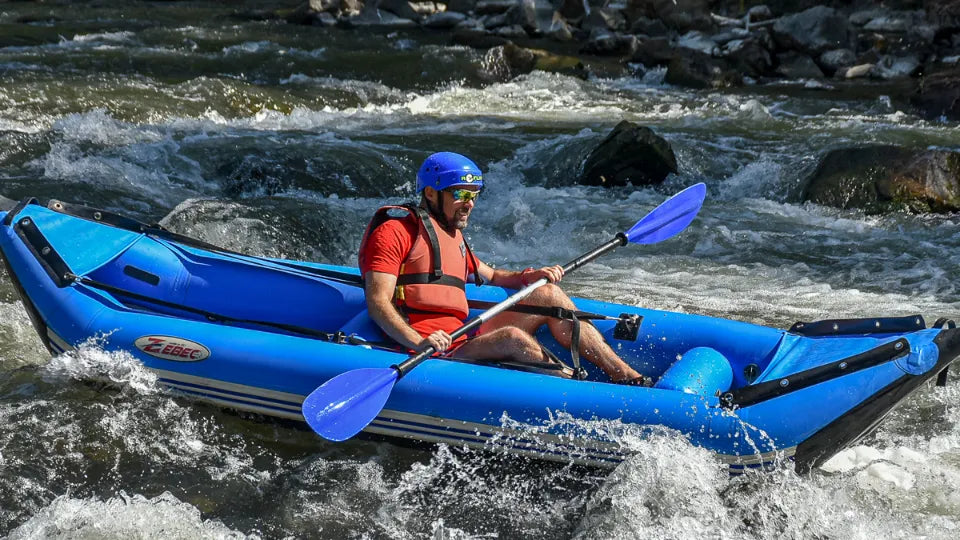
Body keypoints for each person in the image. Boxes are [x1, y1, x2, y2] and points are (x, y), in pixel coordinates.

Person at [357, 152, 649, 385]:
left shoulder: (450, 232)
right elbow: (378, 303)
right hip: (431, 349)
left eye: (474, 195)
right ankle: (575, 390)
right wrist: (419, 341)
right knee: (513, 337)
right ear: (432, 193)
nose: (469, 204)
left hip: (463, 335)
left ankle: (624, 375)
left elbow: (493, 275)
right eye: (461, 194)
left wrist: (528, 277)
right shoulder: (394, 231)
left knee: (548, 293)